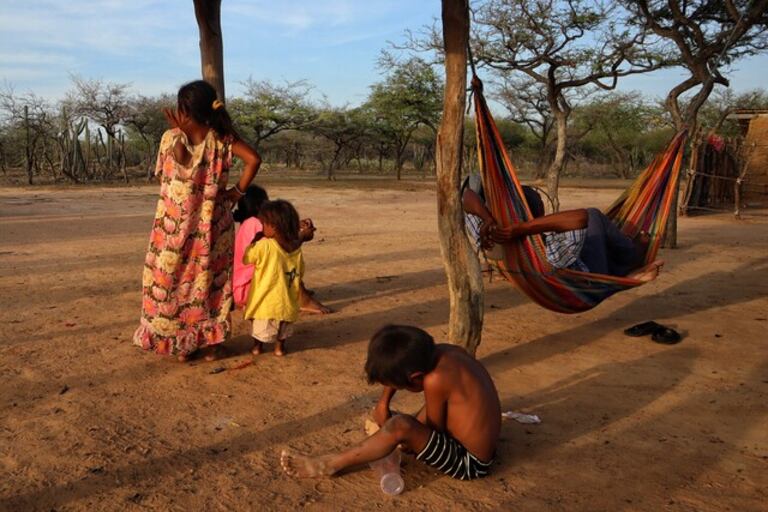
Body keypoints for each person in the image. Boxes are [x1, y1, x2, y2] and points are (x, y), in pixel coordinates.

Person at [134, 80, 261, 362]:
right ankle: (211, 345)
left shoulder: (171, 137)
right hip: (212, 228)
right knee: (209, 284)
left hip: (172, 230)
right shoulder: (222, 138)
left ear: (184, 110)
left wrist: (179, 132)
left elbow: (177, 165)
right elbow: (254, 159)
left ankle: (183, 344)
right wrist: (237, 192)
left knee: (171, 283)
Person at [280, 325, 501, 481]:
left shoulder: (436, 380)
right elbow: (398, 364)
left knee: (400, 426)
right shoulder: (442, 351)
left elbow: (434, 432)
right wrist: (383, 403)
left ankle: (330, 464)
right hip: (471, 438)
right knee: (398, 423)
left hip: (471, 463)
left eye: (399, 386)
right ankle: (389, 433)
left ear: (415, 377)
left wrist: (404, 441)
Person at [461, 174, 662, 281]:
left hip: (525, 261)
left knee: (595, 233)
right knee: (595, 216)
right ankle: (630, 262)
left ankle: (625, 259)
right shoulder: (548, 251)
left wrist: (488, 218)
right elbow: (583, 217)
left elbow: (467, 195)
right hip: (591, 272)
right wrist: (523, 228)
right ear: (531, 215)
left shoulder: (486, 234)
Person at [232, 185, 331, 314]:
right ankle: (302, 299)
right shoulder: (255, 223)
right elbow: (283, 247)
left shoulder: (249, 223)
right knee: (287, 258)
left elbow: (277, 232)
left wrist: (295, 225)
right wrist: (302, 237)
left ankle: (298, 291)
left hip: (243, 289)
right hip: (249, 289)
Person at [242, 199, 305, 357]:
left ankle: (257, 347)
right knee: (283, 327)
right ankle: (279, 349)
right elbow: (301, 271)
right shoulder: (296, 249)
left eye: (264, 224)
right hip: (287, 300)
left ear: (274, 227)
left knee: (261, 328)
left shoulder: (265, 246)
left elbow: (247, 258)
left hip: (266, 300)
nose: (262, 227)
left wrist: (254, 240)